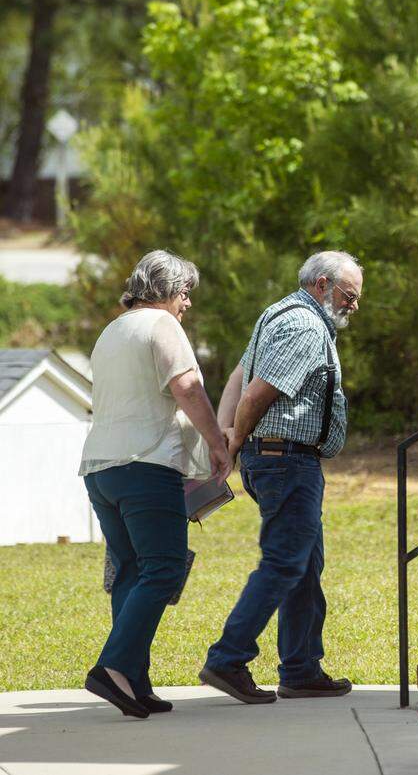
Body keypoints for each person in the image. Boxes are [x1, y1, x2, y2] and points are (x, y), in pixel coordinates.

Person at [199, 250, 362, 704]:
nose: (353, 305)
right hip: (286, 460)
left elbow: (237, 376)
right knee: (286, 562)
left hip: (279, 459)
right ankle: (228, 659)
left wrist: (230, 435)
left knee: (305, 564)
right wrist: (231, 441)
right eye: (349, 295)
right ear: (323, 284)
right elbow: (256, 391)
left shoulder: (279, 312)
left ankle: (301, 668)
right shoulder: (306, 326)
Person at [80, 250, 232, 718]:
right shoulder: (163, 326)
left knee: (130, 569)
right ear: (168, 291)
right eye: (185, 293)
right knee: (164, 568)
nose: (187, 303)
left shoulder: (112, 330)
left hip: (100, 467)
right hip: (146, 466)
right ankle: (113, 668)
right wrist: (218, 445)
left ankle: (134, 684)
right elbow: (186, 387)